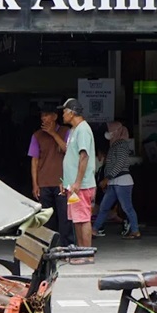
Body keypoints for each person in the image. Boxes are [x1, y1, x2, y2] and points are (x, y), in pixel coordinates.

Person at [27, 106, 73, 245]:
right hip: (43, 183)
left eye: (46, 115)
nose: (43, 118)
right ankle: (48, 248)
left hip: (62, 182)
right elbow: (34, 161)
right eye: (42, 115)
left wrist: (53, 134)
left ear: (54, 116)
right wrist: (35, 184)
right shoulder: (37, 135)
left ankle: (66, 247)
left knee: (65, 217)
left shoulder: (66, 131)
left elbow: (68, 151)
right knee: (46, 219)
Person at [59, 98, 97, 248]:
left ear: (72, 113)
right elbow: (72, 157)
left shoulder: (83, 129)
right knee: (77, 218)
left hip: (81, 185)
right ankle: (80, 251)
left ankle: (86, 253)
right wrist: (66, 181)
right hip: (74, 186)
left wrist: (78, 182)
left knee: (83, 218)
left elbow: (84, 156)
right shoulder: (74, 130)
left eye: (64, 112)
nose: (62, 115)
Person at [93, 121, 141, 239]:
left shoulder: (121, 144)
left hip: (122, 181)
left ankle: (135, 230)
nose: (109, 133)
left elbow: (119, 164)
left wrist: (107, 178)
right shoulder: (115, 145)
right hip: (114, 182)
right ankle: (94, 229)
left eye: (111, 130)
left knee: (127, 207)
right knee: (104, 207)